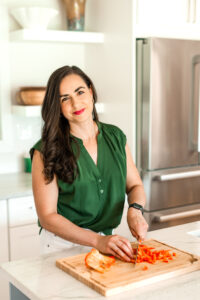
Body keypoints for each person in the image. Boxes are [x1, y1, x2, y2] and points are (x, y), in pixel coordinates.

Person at [30, 65, 148, 262]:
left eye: (80, 92)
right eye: (65, 98)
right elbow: (47, 217)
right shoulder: (46, 150)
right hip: (62, 247)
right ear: (57, 107)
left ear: (91, 92)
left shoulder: (115, 137)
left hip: (107, 242)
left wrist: (135, 210)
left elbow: (135, 185)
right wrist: (97, 241)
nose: (76, 103)